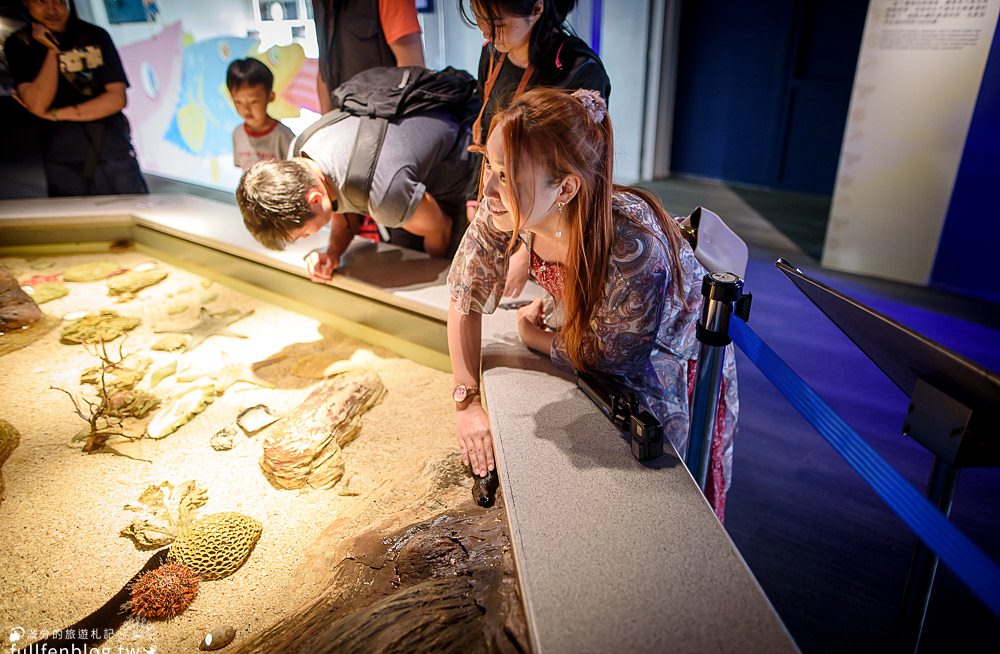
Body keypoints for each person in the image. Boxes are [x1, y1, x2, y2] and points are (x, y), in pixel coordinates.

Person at [447, 88, 739, 521]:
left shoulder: (634, 247)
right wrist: (468, 401)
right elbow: (463, 295)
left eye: (507, 175)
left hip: (669, 360)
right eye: (489, 163)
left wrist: (536, 337)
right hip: (599, 330)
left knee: (666, 504)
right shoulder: (505, 209)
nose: (487, 187)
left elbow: (612, 357)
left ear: (565, 187)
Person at [460, 0, 610, 299]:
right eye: (480, 19)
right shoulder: (492, 55)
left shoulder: (578, 70)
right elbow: (491, 140)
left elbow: (579, 176)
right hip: (503, 202)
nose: (487, 33)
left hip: (552, 224)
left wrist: (527, 251)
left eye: (498, 23)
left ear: (538, 8)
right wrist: (473, 196)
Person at [235, 107, 473, 277]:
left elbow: (440, 226)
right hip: (399, 166)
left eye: (303, 235)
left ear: (315, 199)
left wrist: (431, 269)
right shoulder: (300, 155)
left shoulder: (382, 195)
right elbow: (340, 205)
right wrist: (333, 252)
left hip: (458, 159)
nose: (306, 239)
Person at [4, 0, 147, 196]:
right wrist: (52, 52)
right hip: (62, 155)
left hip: (112, 150)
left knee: (131, 210)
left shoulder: (95, 35)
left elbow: (116, 99)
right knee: (78, 221)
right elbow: (37, 103)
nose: (52, 9)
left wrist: (56, 114)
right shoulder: (19, 44)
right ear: (26, 3)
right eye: (42, 1)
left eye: (59, 1)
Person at [311, 0, 425, 114]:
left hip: (385, 122)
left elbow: (412, 72)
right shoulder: (320, 4)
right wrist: (326, 125)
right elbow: (324, 69)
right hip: (343, 124)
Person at [227, 58, 295, 171]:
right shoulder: (238, 134)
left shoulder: (283, 136)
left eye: (253, 102)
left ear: (270, 97)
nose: (246, 109)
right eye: (238, 102)